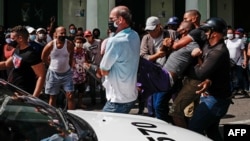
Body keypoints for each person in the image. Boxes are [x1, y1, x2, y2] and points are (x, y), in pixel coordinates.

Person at [188, 17, 232, 141]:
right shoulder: (209, 45)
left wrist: (192, 59)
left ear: (215, 33)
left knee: (193, 130)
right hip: (213, 96)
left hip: (216, 100)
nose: (204, 33)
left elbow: (200, 73)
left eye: (207, 30)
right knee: (212, 131)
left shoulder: (219, 52)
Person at [163, 9, 207, 128]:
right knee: (191, 111)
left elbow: (177, 46)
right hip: (194, 75)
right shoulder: (203, 32)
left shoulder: (197, 32)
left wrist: (169, 43)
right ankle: (196, 132)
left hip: (195, 77)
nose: (183, 22)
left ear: (194, 18)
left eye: (185, 19)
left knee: (176, 111)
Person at [99, 5, 140, 113]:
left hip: (117, 99)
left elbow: (104, 70)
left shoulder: (115, 42)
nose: (109, 22)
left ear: (120, 20)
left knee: (105, 128)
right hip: (130, 95)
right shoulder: (135, 35)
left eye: (111, 19)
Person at [139, 16, 173, 122]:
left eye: (152, 30)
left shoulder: (170, 34)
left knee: (160, 105)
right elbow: (143, 56)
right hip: (152, 74)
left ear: (159, 26)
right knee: (152, 107)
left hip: (167, 73)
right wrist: (157, 56)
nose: (150, 32)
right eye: (148, 30)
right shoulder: (146, 38)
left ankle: (166, 124)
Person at [0, 25, 46, 97]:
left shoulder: (31, 55)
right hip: (15, 90)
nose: (11, 41)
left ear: (20, 38)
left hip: (25, 93)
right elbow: (7, 64)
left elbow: (41, 76)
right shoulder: (17, 50)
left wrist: (34, 98)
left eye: (13, 38)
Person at [41, 26, 75, 110]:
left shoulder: (69, 44)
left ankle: (72, 117)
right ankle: (53, 117)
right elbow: (43, 57)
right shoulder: (50, 45)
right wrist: (50, 64)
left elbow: (71, 57)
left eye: (64, 33)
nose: (63, 35)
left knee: (70, 96)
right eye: (61, 33)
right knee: (53, 97)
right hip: (53, 73)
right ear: (56, 34)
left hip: (66, 73)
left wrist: (70, 67)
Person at [225, 27, 248, 97]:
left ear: (234, 33)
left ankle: (240, 89)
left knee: (239, 77)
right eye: (228, 33)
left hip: (238, 62)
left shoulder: (239, 41)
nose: (229, 34)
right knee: (230, 77)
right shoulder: (225, 41)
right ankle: (233, 91)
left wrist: (245, 60)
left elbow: (243, 51)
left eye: (230, 33)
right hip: (228, 62)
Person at [83, 30, 103, 105]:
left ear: (92, 35)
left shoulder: (98, 42)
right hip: (92, 65)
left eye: (89, 36)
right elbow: (85, 56)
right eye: (86, 36)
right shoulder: (85, 45)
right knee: (92, 84)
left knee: (102, 84)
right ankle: (93, 101)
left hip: (100, 64)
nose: (88, 37)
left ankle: (103, 100)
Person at [72, 36, 87, 109]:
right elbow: (71, 61)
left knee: (81, 91)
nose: (79, 44)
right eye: (77, 42)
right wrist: (75, 65)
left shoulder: (84, 51)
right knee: (73, 91)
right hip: (74, 75)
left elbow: (86, 60)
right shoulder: (72, 51)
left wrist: (86, 65)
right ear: (74, 43)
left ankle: (80, 103)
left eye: (80, 42)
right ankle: (72, 104)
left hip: (82, 74)